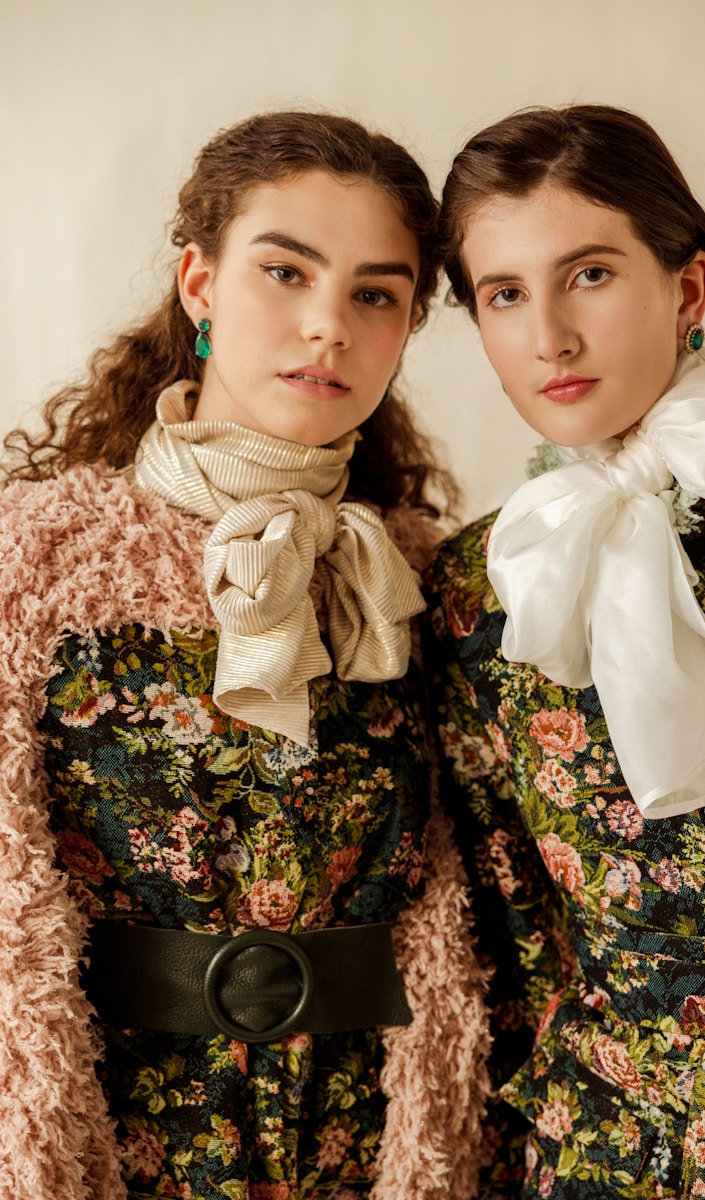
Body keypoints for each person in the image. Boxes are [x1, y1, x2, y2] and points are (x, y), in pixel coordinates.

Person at [0, 111, 492, 1200]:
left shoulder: (425, 582)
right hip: (110, 1138)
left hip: (368, 1143)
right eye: (284, 271)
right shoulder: (30, 564)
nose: (327, 326)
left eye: (374, 293)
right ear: (198, 283)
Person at [429, 103, 705, 1199]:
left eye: (586, 274)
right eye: (502, 295)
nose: (547, 336)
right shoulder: (475, 588)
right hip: (615, 1148)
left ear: (684, 288)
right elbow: (509, 909)